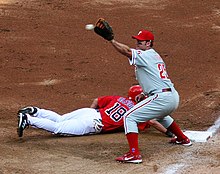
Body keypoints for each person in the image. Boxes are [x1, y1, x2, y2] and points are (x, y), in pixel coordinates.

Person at [95, 26, 192, 163]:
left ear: (148, 43)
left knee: (129, 117)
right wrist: (144, 92)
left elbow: (127, 52)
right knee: (162, 115)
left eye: (140, 41)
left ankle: (134, 154)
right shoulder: (153, 56)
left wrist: (111, 40)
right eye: (137, 41)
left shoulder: (146, 55)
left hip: (162, 97)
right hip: (170, 96)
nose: (137, 43)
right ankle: (183, 139)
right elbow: (153, 77)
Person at [17, 85, 173, 138]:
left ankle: (35, 111)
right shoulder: (138, 110)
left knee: (60, 118)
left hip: (90, 113)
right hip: (94, 123)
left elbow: (97, 101)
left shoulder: (117, 98)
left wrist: (89, 114)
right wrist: (168, 133)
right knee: (58, 129)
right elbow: (152, 122)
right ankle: (28, 119)